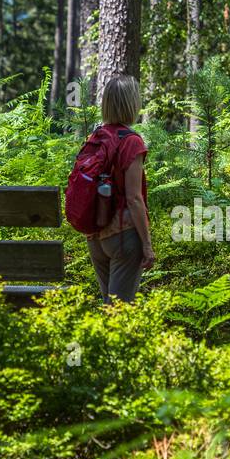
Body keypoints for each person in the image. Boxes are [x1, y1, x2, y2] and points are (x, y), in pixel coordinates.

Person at [86, 74, 155, 302]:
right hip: (123, 237)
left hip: (96, 234)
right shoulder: (131, 141)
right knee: (120, 313)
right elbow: (134, 198)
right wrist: (147, 245)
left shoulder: (97, 136)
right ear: (131, 103)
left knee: (109, 308)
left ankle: (98, 339)